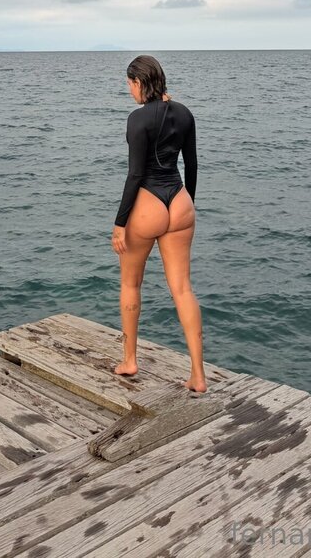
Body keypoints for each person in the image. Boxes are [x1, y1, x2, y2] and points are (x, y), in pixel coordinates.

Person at [111, 54, 206, 393]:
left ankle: (129, 360)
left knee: (130, 283)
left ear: (139, 82)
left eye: (129, 84)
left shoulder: (137, 119)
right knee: (182, 288)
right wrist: (189, 204)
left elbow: (136, 174)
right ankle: (198, 375)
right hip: (180, 202)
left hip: (147, 205)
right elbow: (191, 165)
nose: (129, 90)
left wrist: (120, 223)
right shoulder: (185, 113)